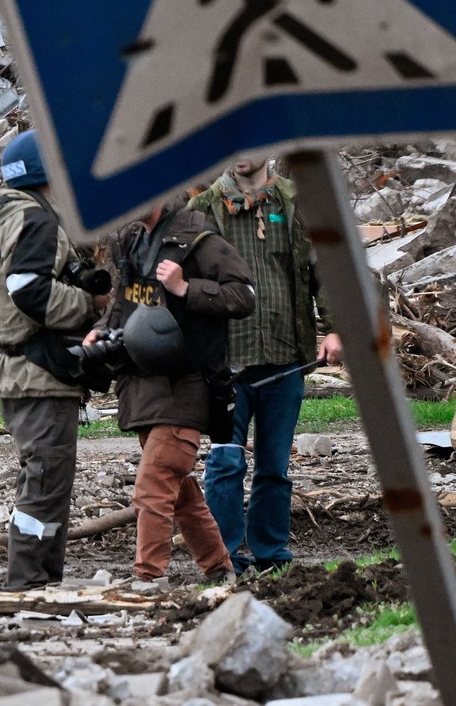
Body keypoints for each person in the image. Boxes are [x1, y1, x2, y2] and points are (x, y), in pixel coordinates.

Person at [88, 198, 255, 585]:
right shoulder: (131, 239)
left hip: (188, 384)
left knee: (154, 485)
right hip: (142, 385)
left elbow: (244, 295)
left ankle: (149, 579)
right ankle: (219, 568)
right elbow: (125, 303)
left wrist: (185, 287)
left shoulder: (200, 238)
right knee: (178, 490)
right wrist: (103, 329)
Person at [189, 158, 342, 575]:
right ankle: (225, 559)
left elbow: (324, 270)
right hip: (226, 366)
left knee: (274, 467)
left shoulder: (296, 203)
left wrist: (335, 328)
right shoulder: (202, 209)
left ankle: (272, 555)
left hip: (285, 358)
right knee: (225, 464)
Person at [0, 130, 112, 590]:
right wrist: (88, 306)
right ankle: (27, 581)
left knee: (46, 482)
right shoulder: (35, 221)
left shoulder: (6, 217)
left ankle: (41, 578)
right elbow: (28, 291)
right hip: (38, 374)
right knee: (45, 483)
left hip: (21, 373)